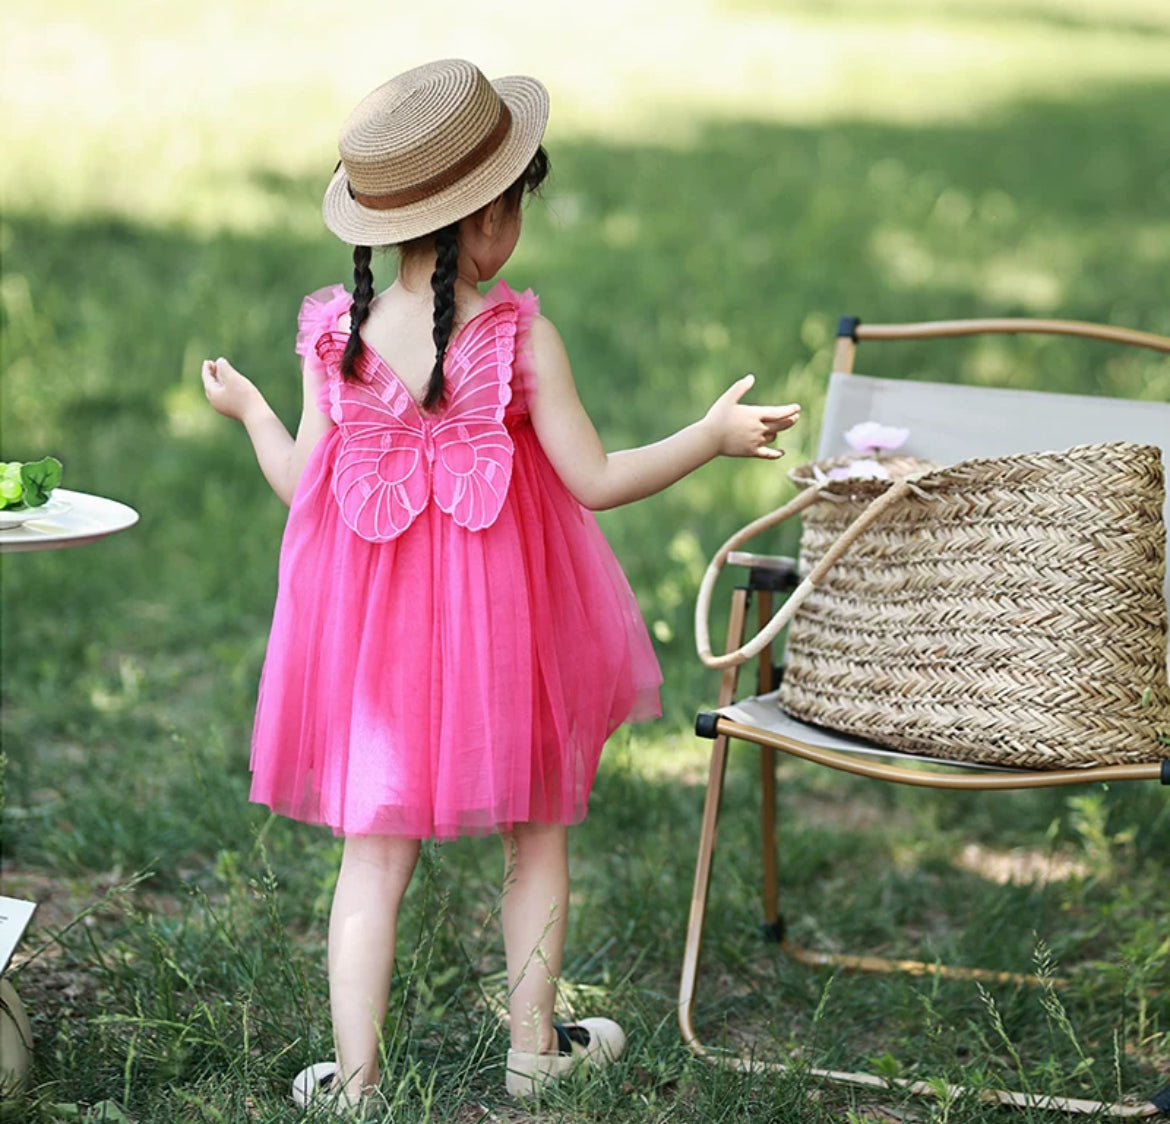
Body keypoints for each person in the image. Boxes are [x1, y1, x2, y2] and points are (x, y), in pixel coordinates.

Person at [202, 58, 799, 1115]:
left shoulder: (332, 335)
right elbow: (599, 480)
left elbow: (304, 487)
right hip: (505, 635)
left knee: (372, 861)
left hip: (374, 651)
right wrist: (708, 436)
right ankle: (533, 1051)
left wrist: (254, 412)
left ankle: (356, 1079)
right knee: (536, 835)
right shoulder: (522, 336)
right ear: (489, 221)